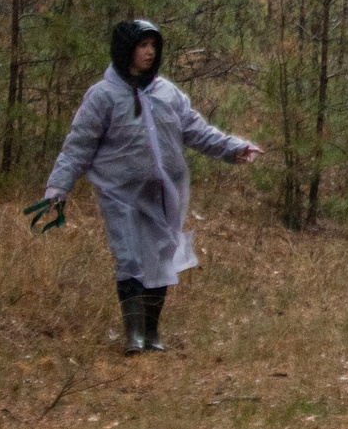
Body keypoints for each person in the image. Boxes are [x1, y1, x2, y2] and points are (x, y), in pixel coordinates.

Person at [40, 19, 265, 353]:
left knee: (161, 257)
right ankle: (133, 336)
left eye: (153, 46)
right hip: (118, 193)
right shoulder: (102, 96)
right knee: (129, 256)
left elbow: (197, 131)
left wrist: (234, 147)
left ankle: (151, 333)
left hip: (161, 192)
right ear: (125, 49)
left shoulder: (167, 93)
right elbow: (79, 146)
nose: (149, 52)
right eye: (142, 45)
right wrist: (58, 188)